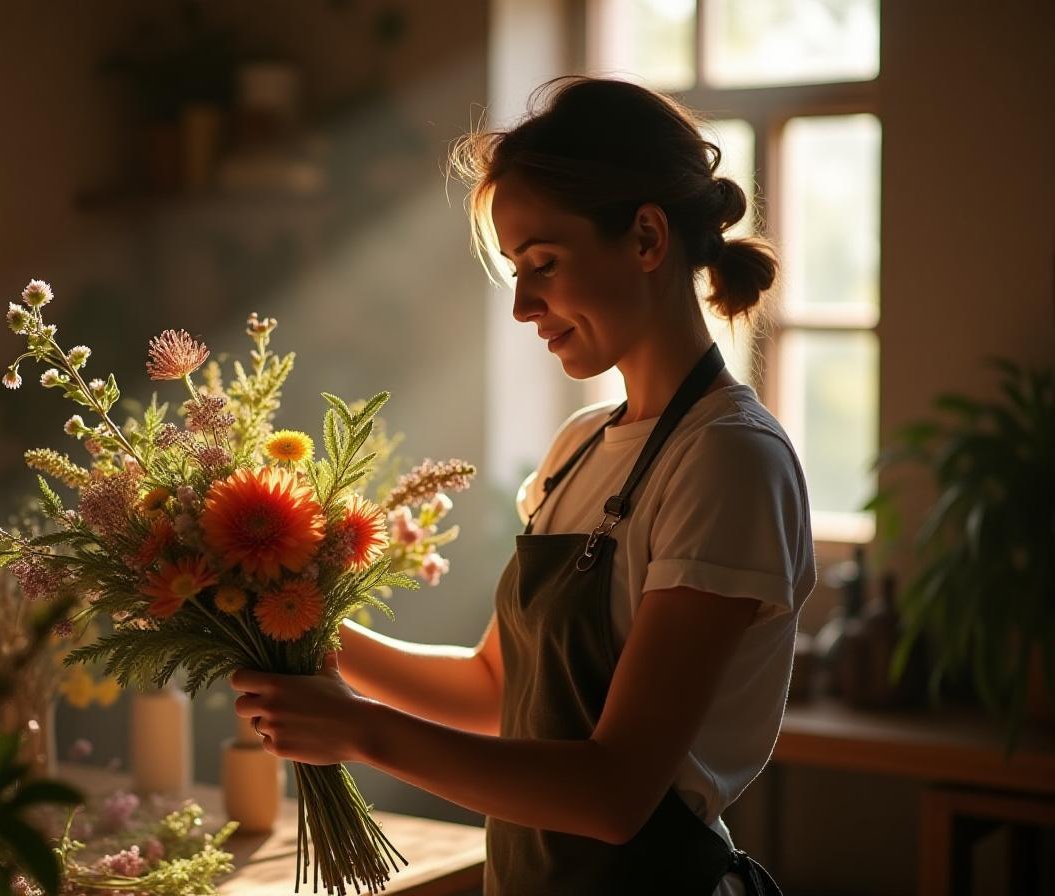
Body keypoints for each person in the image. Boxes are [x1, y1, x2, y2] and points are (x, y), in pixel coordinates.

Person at [230, 76, 816, 895]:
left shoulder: (727, 459)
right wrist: (295, 630)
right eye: (515, 269)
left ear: (647, 238)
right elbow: (495, 688)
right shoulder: (581, 447)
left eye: (544, 263)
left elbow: (613, 795)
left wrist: (359, 731)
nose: (523, 305)